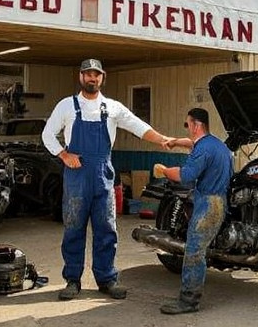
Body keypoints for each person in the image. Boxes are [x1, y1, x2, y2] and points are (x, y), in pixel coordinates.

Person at [42, 58, 173, 301]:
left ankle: (107, 279)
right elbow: (47, 134)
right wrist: (63, 155)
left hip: (103, 175)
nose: (92, 78)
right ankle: (72, 280)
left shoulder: (112, 107)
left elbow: (138, 127)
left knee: (106, 229)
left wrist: (163, 140)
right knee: (74, 228)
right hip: (77, 176)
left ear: (103, 77)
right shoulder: (66, 106)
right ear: (81, 77)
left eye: (96, 74)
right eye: (88, 74)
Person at [153, 108, 233, 315]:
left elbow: (186, 176)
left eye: (188, 125)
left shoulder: (203, 149)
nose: (187, 129)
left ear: (196, 125)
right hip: (220, 200)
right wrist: (175, 142)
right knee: (198, 249)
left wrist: (164, 170)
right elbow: (193, 144)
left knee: (194, 250)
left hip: (208, 204)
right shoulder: (217, 145)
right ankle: (190, 298)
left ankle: (189, 301)